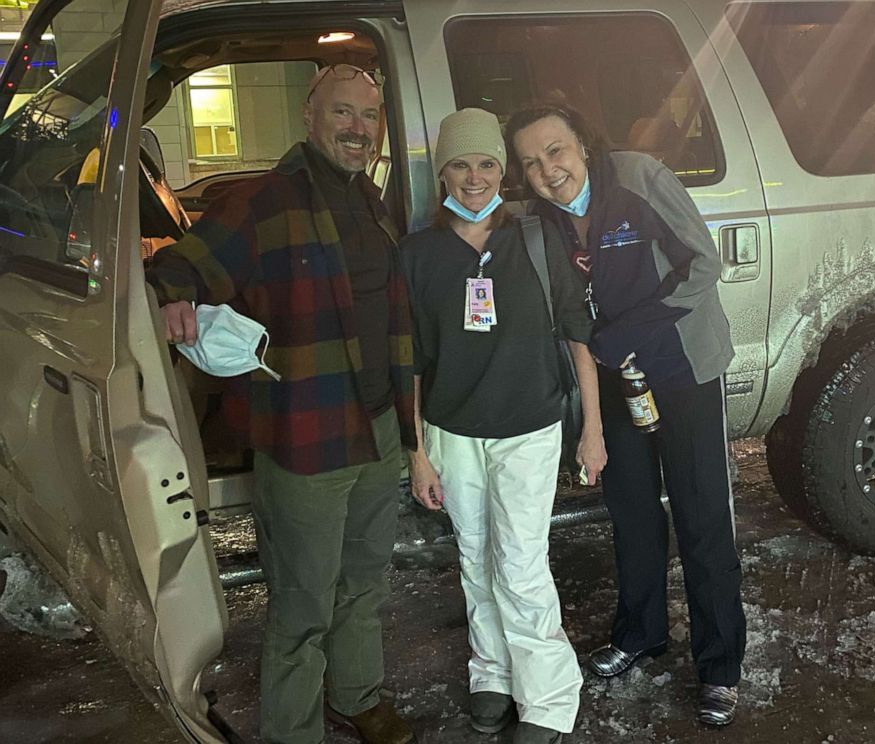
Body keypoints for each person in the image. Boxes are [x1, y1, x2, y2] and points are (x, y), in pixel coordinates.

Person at [146, 64, 417, 744]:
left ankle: (357, 695)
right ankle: (293, 730)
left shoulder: (369, 199)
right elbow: (182, 260)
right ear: (310, 116)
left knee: (364, 583)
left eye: (368, 117)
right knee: (302, 602)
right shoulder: (265, 199)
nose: (358, 128)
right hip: (306, 441)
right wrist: (176, 288)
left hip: (380, 428)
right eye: (343, 113)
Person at [506, 104, 747, 727]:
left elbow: (703, 264)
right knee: (633, 509)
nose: (547, 170)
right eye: (531, 161)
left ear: (582, 143)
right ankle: (641, 631)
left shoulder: (637, 179)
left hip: (681, 367)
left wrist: (629, 330)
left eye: (555, 151)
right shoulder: (545, 223)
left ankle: (720, 664)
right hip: (614, 383)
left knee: (701, 514)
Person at [400, 108, 606, 744]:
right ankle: (491, 671)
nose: (474, 177)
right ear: (442, 173)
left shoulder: (536, 240)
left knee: (519, 563)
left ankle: (547, 697)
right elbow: (407, 360)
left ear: (503, 171)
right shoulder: (417, 254)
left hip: (529, 426)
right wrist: (417, 454)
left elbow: (578, 336)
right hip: (452, 431)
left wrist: (592, 428)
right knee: (474, 554)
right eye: (460, 164)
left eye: (487, 163)